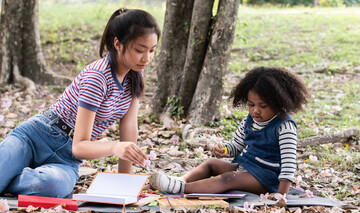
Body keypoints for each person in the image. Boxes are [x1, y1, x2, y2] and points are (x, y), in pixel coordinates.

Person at [0, 8, 161, 198]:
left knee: (51, 186)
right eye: (140, 50)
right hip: (35, 137)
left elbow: (129, 130)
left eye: (152, 50)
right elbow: (81, 145)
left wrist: (124, 183)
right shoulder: (98, 77)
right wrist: (113, 146)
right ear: (117, 43)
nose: (147, 58)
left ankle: (10, 178)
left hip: (66, 159)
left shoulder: (136, 75)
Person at [150, 66, 308, 196]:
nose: (256, 111)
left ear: (279, 102)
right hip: (245, 167)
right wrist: (225, 149)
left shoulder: (284, 126)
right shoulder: (249, 120)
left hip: (267, 179)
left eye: (263, 106)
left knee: (228, 179)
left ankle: (180, 189)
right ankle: (180, 180)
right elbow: (237, 145)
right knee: (211, 163)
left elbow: (289, 164)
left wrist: (281, 194)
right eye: (251, 105)